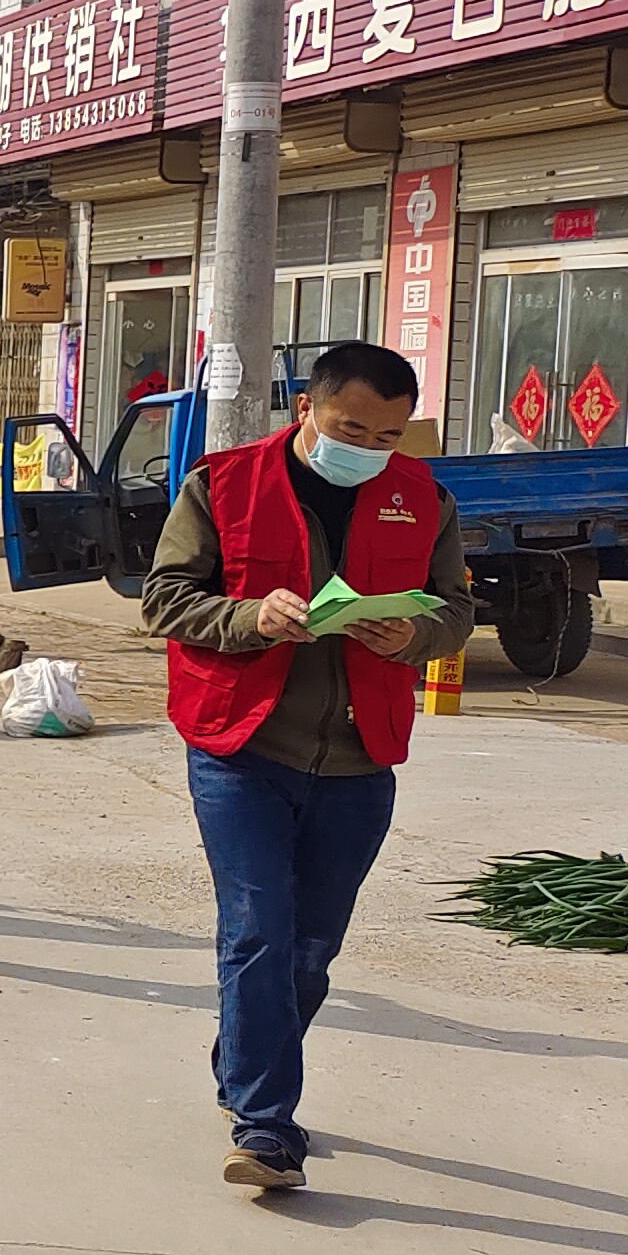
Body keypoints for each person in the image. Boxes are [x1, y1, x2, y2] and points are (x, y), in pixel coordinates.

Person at [142, 338, 469, 1190]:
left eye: (388, 436)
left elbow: (457, 610)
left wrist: (416, 634)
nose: (366, 448)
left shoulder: (424, 500)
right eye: (350, 427)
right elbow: (166, 599)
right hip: (243, 747)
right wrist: (251, 616)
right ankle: (265, 1128)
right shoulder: (224, 483)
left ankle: (243, 1059)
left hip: (362, 756)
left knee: (311, 949)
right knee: (258, 929)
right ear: (306, 412)